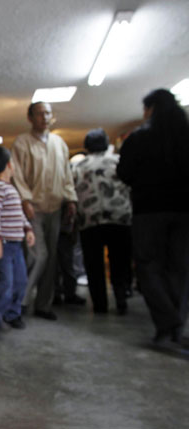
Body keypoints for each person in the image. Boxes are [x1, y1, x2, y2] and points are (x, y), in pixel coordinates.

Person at [117, 89, 189, 345]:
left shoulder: (139, 139)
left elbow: (124, 173)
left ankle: (168, 322)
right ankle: (175, 328)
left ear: (151, 109)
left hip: (148, 211)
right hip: (183, 212)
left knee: (148, 267)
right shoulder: (186, 134)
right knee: (179, 269)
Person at [11, 102, 78, 320]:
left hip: (55, 208)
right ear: (30, 118)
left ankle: (43, 304)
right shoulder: (22, 143)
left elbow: (66, 174)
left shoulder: (60, 143)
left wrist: (71, 200)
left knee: (51, 260)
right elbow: (17, 175)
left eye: (47, 113)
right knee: (37, 256)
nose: (44, 117)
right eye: (39, 113)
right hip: (33, 209)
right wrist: (25, 200)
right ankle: (20, 302)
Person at [73, 128, 133, 315]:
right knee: (119, 261)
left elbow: (72, 192)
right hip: (119, 217)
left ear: (86, 146)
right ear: (106, 144)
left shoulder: (78, 166)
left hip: (90, 220)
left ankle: (100, 305)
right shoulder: (119, 162)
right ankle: (121, 298)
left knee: (93, 264)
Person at [0, 146, 35, 339]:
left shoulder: (10, 189)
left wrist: (27, 229)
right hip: (3, 244)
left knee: (20, 281)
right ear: (9, 165)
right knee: (6, 284)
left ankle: (12, 314)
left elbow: (19, 214)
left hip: (15, 246)